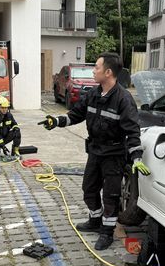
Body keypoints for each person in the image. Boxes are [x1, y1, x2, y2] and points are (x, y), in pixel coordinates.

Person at [39, 52, 151, 250]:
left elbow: (132, 131)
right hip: (95, 151)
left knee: (111, 196)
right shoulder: (93, 94)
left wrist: (136, 157)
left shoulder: (124, 99)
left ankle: (107, 232)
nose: (93, 71)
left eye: (96, 67)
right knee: (89, 190)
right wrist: (56, 121)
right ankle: (95, 221)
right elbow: (76, 114)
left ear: (108, 72)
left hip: (114, 155)